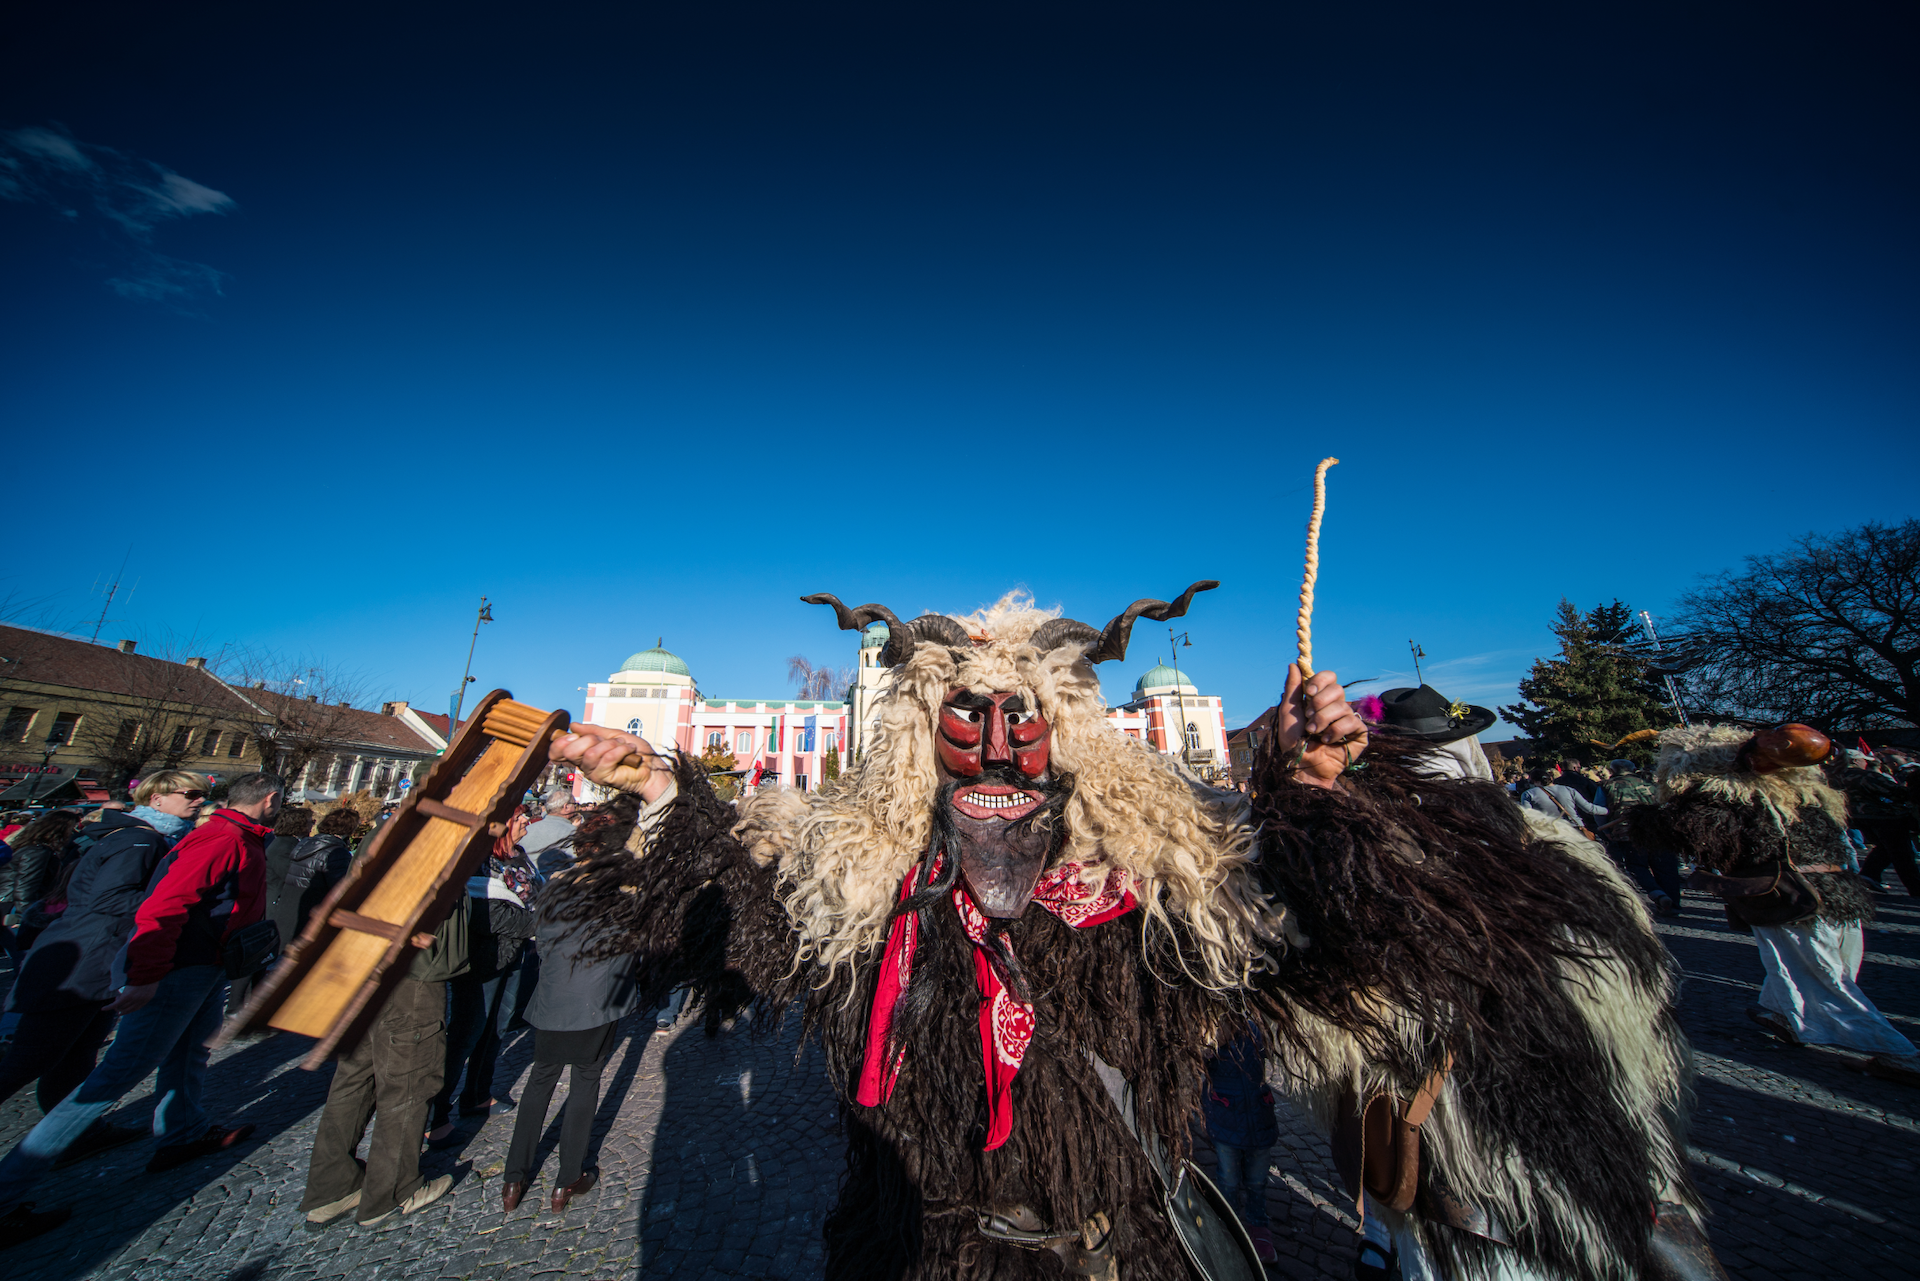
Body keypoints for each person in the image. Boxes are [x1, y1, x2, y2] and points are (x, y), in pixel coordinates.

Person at [538, 586, 1714, 1279]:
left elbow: (1330, 954)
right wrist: (658, 794)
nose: (997, 751)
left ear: (1073, 743)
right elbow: (742, 938)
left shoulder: (1153, 895)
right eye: (965, 725)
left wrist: (1320, 802)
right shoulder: (872, 900)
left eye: (1023, 724)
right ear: (915, 745)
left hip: (1123, 1252)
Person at [0, 771, 283, 1249]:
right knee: (116, 1075)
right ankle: (7, 1193)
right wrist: (146, 975)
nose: (196, 802)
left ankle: (183, 1132)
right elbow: (163, 907)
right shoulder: (220, 840)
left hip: (206, 963)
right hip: (180, 967)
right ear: (271, 800)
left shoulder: (234, 836)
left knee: (191, 1050)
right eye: (189, 793)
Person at [1635, 725, 1918, 1084]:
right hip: (1834, 889)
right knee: (1818, 962)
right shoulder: (1801, 791)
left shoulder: (1738, 796)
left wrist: (1648, 818)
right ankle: (1782, 1013)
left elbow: (1691, 833)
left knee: (1822, 973)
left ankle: (1899, 1052)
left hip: (1793, 894)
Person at [0, 774, 207, 1179]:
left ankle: (81, 1133)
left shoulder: (140, 836)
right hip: (83, 960)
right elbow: (110, 899)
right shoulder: (141, 840)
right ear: (157, 799)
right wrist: (178, 895)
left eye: (203, 795)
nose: (199, 802)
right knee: (30, 1059)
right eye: (191, 794)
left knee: (75, 1055)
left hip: (96, 958)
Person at [500, 798, 644, 1215]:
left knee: (539, 1081)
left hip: (555, 996)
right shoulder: (623, 889)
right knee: (586, 1081)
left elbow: (541, 941)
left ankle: (514, 1178)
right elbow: (635, 944)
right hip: (598, 999)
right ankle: (567, 1180)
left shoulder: (557, 884)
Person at [299, 892, 466, 1230]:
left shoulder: (383, 838)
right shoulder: (434, 841)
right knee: (409, 1081)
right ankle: (393, 1192)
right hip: (411, 975)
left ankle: (331, 1187)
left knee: (355, 1078)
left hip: (368, 965)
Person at [424, 806, 541, 1143]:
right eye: (520, 820)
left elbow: (533, 894)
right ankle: (435, 1113)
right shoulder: (479, 860)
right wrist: (537, 925)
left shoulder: (518, 855)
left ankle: (477, 1094)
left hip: (514, 953)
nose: (526, 826)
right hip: (482, 959)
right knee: (467, 1031)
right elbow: (484, 913)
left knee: (497, 1026)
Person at [1200, 1020, 1279, 1264]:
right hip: (1227, 1120)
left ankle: (1259, 1228)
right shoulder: (1211, 1029)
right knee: (1228, 1181)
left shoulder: (1258, 1024)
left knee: (1257, 1181)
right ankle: (1229, 1227)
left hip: (1258, 1118)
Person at [1596, 759, 1679, 914]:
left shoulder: (1607, 786)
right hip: (1657, 829)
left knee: (1637, 865)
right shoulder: (1650, 785)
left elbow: (1600, 810)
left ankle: (1657, 893)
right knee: (1665, 866)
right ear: (1633, 769)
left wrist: (1606, 832)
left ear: (1612, 771)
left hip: (1626, 831)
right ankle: (1672, 903)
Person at [0, 810, 82, 961]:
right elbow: (26, 886)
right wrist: (22, 917)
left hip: (10, 902)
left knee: (18, 953)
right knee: (22, 954)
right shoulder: (38, 851)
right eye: (73, 828)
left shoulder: (31, 847)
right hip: (13, 905)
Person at [1520, 768, 1608, 831]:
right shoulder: (1568, 789)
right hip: (1576, 829)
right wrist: (1609, 811)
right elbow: (1589, 808)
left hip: (1552, 832)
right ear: (1550, 778)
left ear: (1534, 781)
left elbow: (1528, 816)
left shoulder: (1528, 794)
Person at [522, 789, 580, 877]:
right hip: (556, 885)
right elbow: (577, 864)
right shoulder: (572, 832)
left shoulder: (527, 830)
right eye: (574, 805)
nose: (575, 808)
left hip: (529, 883)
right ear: (566, 807)